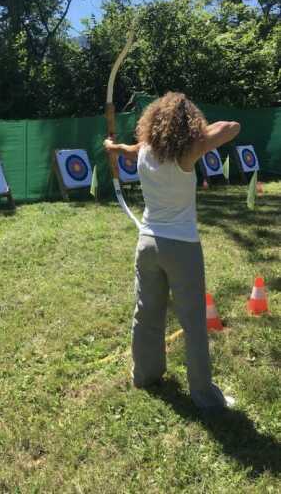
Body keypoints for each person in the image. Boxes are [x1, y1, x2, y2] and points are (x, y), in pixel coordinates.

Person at [104, 91, 240, 411]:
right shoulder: (189, 152)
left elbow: (123, 150)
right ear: (188, 125)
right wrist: (198, 137)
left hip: (147, 244)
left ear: (153, 121)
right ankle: (204, 396)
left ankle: (145, 375)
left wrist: (111, 146)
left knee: (146, 313)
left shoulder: (143, 150)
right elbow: (232, 126)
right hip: (182, 248)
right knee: (193, 323)